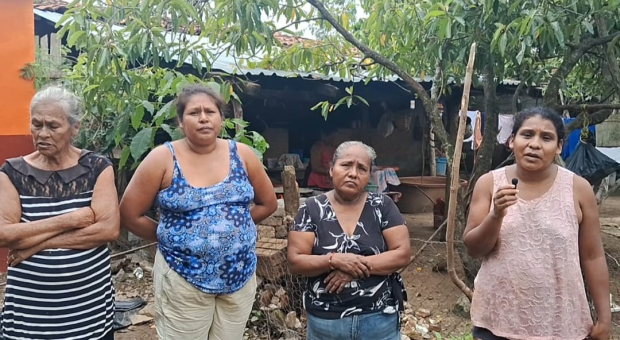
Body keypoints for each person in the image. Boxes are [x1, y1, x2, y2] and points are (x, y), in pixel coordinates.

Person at [119, 84, 277, 340]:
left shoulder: (243, 155)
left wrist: (233, 230)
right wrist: (172, 238)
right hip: (182, 276)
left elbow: (267, 203)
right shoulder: (162, 159)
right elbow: (129, 214)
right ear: (180, 121)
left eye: (210, 111)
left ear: (221, 119)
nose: (203, 118)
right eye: (194, 113)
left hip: (239, 275)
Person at [464, 107, 611, 340]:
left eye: (546, 138)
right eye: (527, 134)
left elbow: (593, 256)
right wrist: (496, 215)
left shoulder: (578, 189)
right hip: (498, 320)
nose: (535, 144)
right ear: (512, 140)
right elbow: (473, 249)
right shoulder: (490, 183)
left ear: (559, 147)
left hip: (560, 322)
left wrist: (604, 317)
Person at [0, 86, 119, 340]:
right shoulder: (12, 172)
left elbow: (107, 230)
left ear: (74, 128)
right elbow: (4, 235)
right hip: (29, 315)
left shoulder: (97, 168)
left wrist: (33, 245)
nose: (42, 134)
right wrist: (71, 219)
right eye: (36, 125)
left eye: (53, 126)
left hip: (89, 312)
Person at [288, 141, 411, 340]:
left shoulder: (383, 206)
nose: (353, 173)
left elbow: (402, 253)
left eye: (362, 168)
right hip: (326, 322)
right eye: (346, 165)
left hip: (378, 319)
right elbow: (295, 261)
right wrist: (334, 260)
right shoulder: (311, 209)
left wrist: (352, 268)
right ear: (331, 170)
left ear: (368, 175)